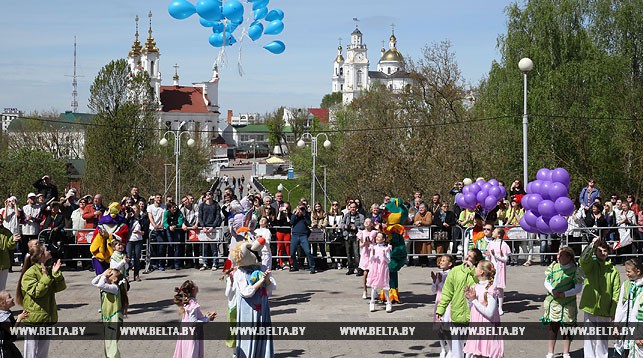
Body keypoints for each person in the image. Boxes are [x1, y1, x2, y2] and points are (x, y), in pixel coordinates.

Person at [16, 242, 66, 358]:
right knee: (31, 352)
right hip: (33, 317)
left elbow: (60, 287)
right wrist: (46, 277)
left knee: (43, 352)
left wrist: (56, 273)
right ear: (41, 255)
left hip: (47, 316)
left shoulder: (47, 269)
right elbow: (37, 292)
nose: (49, 251)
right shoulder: (30, 273)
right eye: (46, 250)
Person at [228, 239, 276, 358]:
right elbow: (246, 292)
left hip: (262, 307)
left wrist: (267, 279)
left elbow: (272, 286)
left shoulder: (261, 268)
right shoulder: (240, 272)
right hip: (248, 310)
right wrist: (261, 281)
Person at [436, 248, 483, 358]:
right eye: (467, 255)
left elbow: (482, 283)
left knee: (473, 344)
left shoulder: (480, 272)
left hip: (474, 313)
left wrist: (472, 270)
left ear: (476, 260)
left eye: (470, 257)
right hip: (458, 311)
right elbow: (447, 292)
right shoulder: (455, 271)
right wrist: (441, 309)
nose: (467, 258)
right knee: (457, 344)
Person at [579, 237, 620, 358]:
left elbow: (616, 292)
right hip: (590, 307)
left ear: (609, 252)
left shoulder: (613, 270)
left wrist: (613, 312)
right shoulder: (590, 265)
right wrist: (592, 244)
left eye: (605, 251)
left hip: (605, 310)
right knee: (589, 339)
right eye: (599, 251)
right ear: (595, 252)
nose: (602, 253)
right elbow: (583, 260)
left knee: (602, 341)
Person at [542, 246, 583, 358]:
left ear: (569, 257)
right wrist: (552, 290)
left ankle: (566, 352)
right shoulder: (553, 266)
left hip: (568, 303)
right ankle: (550, 352)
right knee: (553, 327)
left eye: (561, 254)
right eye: (558, 254)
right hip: (554, 302)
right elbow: (546, 281)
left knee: (567, 328)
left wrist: (565, 294)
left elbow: (578, 287)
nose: (558, 256)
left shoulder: (575, 269)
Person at [463, 260, 504, 358]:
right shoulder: (476, 287)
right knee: (477, 354)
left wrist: (474, 300)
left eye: (476, 267)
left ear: (481, 272)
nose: (474, 269)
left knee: (486, 354)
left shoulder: (490, 289)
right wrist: (469, 299)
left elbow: (490, 313)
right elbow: (472, 309)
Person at [173, 280, 216, 358]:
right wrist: (207, 319)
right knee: (192, 353)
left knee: (186, 352)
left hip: (186, 334)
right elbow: (193, 322)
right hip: (192, 336)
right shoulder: (192, 305)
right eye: (195, 285)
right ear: (193, 289)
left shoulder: (187, 302)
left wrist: (205, 317)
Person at [91, 268, 129, 358]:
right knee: (108, 342)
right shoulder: (108, 285)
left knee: (111, 342)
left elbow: (100, 285)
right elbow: (93, 282)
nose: (107, 274)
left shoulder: (114, 288)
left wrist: (104, 276)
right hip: (108, 317)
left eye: (110, 274)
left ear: (114, 279)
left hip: (114, 317)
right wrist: (103, 274)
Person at [614, 259, 643, 357]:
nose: (626, 273)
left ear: (638, 271)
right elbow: (620, 306)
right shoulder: (626, 284)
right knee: (625, 351)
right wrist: (616, 324)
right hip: (626, 328)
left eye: (629, 271)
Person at [431, 255, 454, 358]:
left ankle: (451, 349)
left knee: (446, 327)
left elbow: (447, 289)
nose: (441, 262)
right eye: (440, 260)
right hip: (438, 302)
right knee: (439, 327)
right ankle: (442, 349)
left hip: (447, 303)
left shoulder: (452, 274)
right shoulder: (439, 274)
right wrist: (434, 281)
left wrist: (440, 282)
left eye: (444, 261)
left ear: (450, 264)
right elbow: (434, 290)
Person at [486, 228, 511, 315]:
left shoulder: (503, 245)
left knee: (499, 288)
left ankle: (500, 307)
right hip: (492, 267)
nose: (492, 232)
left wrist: (496, 255)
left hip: (500, 268)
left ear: (499, 234)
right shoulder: (491, 243)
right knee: (492, 286)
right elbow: (488, 256)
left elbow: (505, 259)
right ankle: (493, 305)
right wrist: (488, 257)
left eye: (494, 231)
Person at [367, 232, 392, 313]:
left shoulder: (386, 248)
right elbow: (370, 260)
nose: (377, 238)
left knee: (385, 286)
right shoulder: (373, 247)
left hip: (383, 268)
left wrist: (384, 256)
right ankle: (372, 302)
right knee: (374, 286)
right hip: (375, 268)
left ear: (383, 239)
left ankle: (388, 302)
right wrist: (372, 256)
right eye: (377, 237)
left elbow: (388, 261)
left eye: (379, 237)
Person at [198, 191, 223, 271]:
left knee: (214, 247)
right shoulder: (202, 205)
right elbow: (200, 217)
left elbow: (218, 216)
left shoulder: (216, 205)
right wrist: (203, 227)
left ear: (212, 196)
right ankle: (205, 263)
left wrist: (213, 227)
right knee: (204, 247)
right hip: (204, 228)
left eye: (210, 194)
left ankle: (215, 263)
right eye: (207, 195)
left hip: (213, 228)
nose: (208, 196)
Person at [0, 290, 29, 357]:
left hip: (8, 344)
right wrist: (19, 319)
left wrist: (20, 316)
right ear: (3, 303)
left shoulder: (6, 312)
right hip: (3, 347)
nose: (12, 298)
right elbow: (11, 331)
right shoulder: (2, 317)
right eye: (9, 297)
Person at [290, 202, 315, 274]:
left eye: (302, 208)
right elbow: (291, 222)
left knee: (308, 251)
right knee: (292, 253)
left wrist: (304, 215)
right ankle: (295, 266)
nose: (301, 209)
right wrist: (296, 214)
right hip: (295, 235)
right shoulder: (294, 214)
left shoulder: (306, 215)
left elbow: (308, 223)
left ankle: (312, 267)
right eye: (300, 208)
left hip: (303, 236)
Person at [341, 202, 365, 275]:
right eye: (351, 207)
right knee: (348, 254)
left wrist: (356, 227)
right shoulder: (346, 215)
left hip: (356, 237)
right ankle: (350, 269)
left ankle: (359, 269)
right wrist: (346, 226)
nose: (352, 209)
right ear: (349, 208)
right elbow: (341, 224)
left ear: (356, 208)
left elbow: (363, 226)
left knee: (356, 254)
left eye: (354, 207)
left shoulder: (360, 216)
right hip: (348, 236)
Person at [357, 218, 376, 298]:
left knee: (374, 273)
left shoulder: (374, 233)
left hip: (372, 254)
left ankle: (374, 290)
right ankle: (365, 290)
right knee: (365, 272)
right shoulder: (362, 233)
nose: (367, 223)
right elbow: (360, 245)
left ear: (371, 224)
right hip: (365, 254)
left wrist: (371, 243)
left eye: (369, 222)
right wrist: (365, 243)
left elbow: (376, 243)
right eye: (366, 222)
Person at [148, 194, 167, 271]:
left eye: (160, 197)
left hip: (161, 230)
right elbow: (150, 217)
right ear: (154, 199)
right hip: (152, 229)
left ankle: (161, 264)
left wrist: (161, 225)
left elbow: (163, 216)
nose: (159, 199)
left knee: (161, 247)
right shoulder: (150, 207)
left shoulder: (163, 206)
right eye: (157, 197)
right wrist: (154, 225)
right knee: (153, 247)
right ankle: (153, 264)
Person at [0, 214, 19, 291]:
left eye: (1, 219)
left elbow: (10, 247)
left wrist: (13, 241)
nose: (0, 220)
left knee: (2, 288)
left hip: (4, 263)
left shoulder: (7, 232)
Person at [21, 193, 41, 262]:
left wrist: (32, 218)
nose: (32, 199)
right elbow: (21, 220)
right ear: (28, 199)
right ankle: (24, 263)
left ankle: (35, 262)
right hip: (25, 231)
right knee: (25, 248)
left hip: (35, 230)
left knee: (35, 248)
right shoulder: (24, 208)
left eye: (33, 198)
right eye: (31, 198)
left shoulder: (39, 208)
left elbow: (40, 219)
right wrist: (26, 219)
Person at [164, 202, 185, 270]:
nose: (175, 208)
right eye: (173, 207)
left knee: (177, 246)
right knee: (170, 246)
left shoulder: (179, 212)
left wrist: (176, 226)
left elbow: (180, 221)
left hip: (177, 230)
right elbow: (165, 222)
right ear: (170, 208)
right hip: (169, 231)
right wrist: (169, 227)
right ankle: (170, 263)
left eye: (175, 206)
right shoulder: (166, 213)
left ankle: (177, 263)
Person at [127, 204, 144, 282]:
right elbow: (125, 225)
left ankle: (136, 275)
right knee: (128, 257)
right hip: (130, 240)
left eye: (135, 208)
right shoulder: (130, 218)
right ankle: (126, 275)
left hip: (138, 240)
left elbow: (145, 230)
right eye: (132, 209)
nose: (133, 210)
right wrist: (128, 215)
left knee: (137, 258)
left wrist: (140, 232)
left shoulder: (142, 219)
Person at [326, 202, 345, 270]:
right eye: (333, 205)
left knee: (338, 248)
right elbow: (327, 223)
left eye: (336, 205)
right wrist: (331, 226)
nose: (335, 206)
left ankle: (339, 262)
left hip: (338, 232)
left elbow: (342, 222)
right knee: (332, 248)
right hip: (331, 233)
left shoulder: (341, 214)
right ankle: (333, 262)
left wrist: (338, 226)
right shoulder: (328, 214)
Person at [274, 202, 292, 270]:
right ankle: (280, 262)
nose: (285, 209)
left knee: (288, 247)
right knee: (280, 247)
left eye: (287, 208)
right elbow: (277, 222)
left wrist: (287, 215)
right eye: (284, 208)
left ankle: (290, 262)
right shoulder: (279, 214)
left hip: (287, 232)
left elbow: (289, 223)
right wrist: (280, 212)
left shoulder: (290, 215)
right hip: (280, 232)